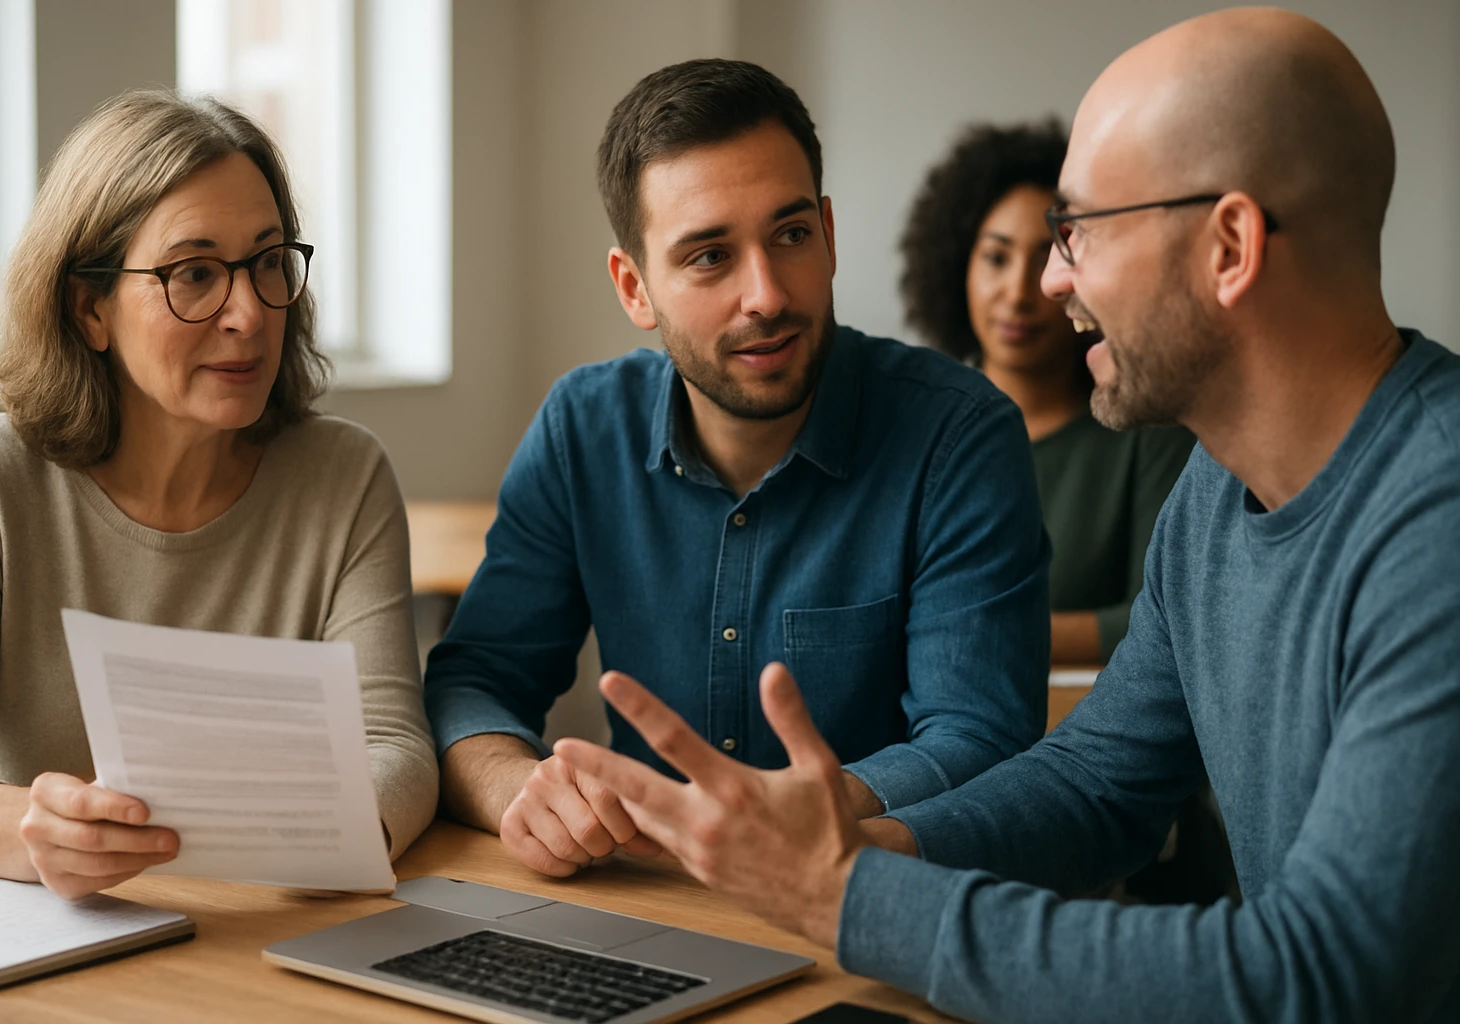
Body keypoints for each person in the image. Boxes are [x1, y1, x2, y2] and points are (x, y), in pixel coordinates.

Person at [554, 9, 1460, 1021]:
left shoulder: (1438, 520)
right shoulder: (1215, 488)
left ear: (1230, 245)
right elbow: (1096, 782)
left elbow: (1323, 974)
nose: (1051, 277)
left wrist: (842, 893)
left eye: (1082, 229)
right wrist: (841, 846)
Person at [426, 59, 1050, 878]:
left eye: (791, 235)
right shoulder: (584, 427)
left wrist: (818, 805)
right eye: (709, 256)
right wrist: (518, 789)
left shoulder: (958, 436)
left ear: (828, 234)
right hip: (642, 900)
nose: (765, 294)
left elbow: (982, 737)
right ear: (635, 287)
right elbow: (475, 679)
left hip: (865, 901)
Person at [0, 91, 439, 899]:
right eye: (194, 274)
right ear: (89, 308)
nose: (248, 313)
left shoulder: (345, 476)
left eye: (269, 262)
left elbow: (395, 748)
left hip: (271, 933)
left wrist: (329, 838)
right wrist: (26, 831)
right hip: (55, 945)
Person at [900, 121, 1195, 666]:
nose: (1018, 292)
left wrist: (970, 628)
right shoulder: (908, 426)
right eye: (995, 257)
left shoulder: (1147, 428)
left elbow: (1163, 618)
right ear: (953, 267)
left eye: (1046, 255)